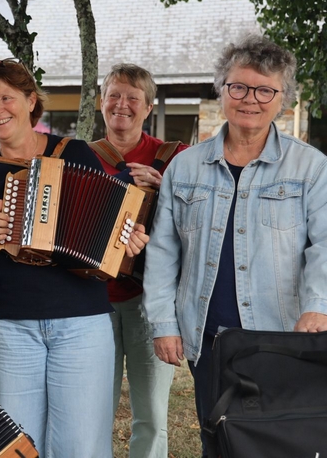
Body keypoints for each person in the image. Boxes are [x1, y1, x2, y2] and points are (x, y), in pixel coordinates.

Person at [0, 59, 149, 458]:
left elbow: (110, 224)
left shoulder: (75, 152)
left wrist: (128, 239)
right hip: (7, 324)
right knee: (18, 444)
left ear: (30, 101)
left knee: (82, 445)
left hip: (81, 321)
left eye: (6, 98)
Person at [143, 34, 327, 456]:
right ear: (222, 90)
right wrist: (164, 323)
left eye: (265, 90)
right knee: (218, 438)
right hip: (208, 338)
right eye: (239, 86)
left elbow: (325, 244)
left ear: (283, 99)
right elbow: (164, 251)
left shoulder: (311, 168)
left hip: (281, 337)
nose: (250, 100)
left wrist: (319, 304)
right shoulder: (185, 167)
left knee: (280, 442)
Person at [94, 63, 187, 458]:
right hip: (91, 301)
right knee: (92, 409)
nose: (122, 104)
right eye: (114, 95)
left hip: (150, 301)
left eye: (133, 98)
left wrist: (165, 190)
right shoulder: (81, 156)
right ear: (100, 102)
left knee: (151, 413)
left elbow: (200, 225)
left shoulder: (176, 158)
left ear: (148, 107)